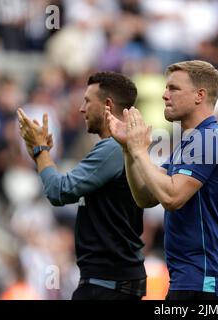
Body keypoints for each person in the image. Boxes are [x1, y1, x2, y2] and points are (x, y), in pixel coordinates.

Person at [105, 60, 218, 300]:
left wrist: (139, 152)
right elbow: (146, 196)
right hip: (188, 279)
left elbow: (172, 197)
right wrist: (128, 151)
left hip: (206, 281)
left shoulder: (207, 139)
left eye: (174, 89)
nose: (165, 96)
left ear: (200, 95)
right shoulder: (189, 142)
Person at [17, 72, 146, 300]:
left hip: (107, 286)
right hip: (110, 283)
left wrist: (40, 151)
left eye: (87, 100)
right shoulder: (117, 147)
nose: (81, 108)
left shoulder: (113, 148)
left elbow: (59, 192)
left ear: (107, 105)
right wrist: (41, 155)